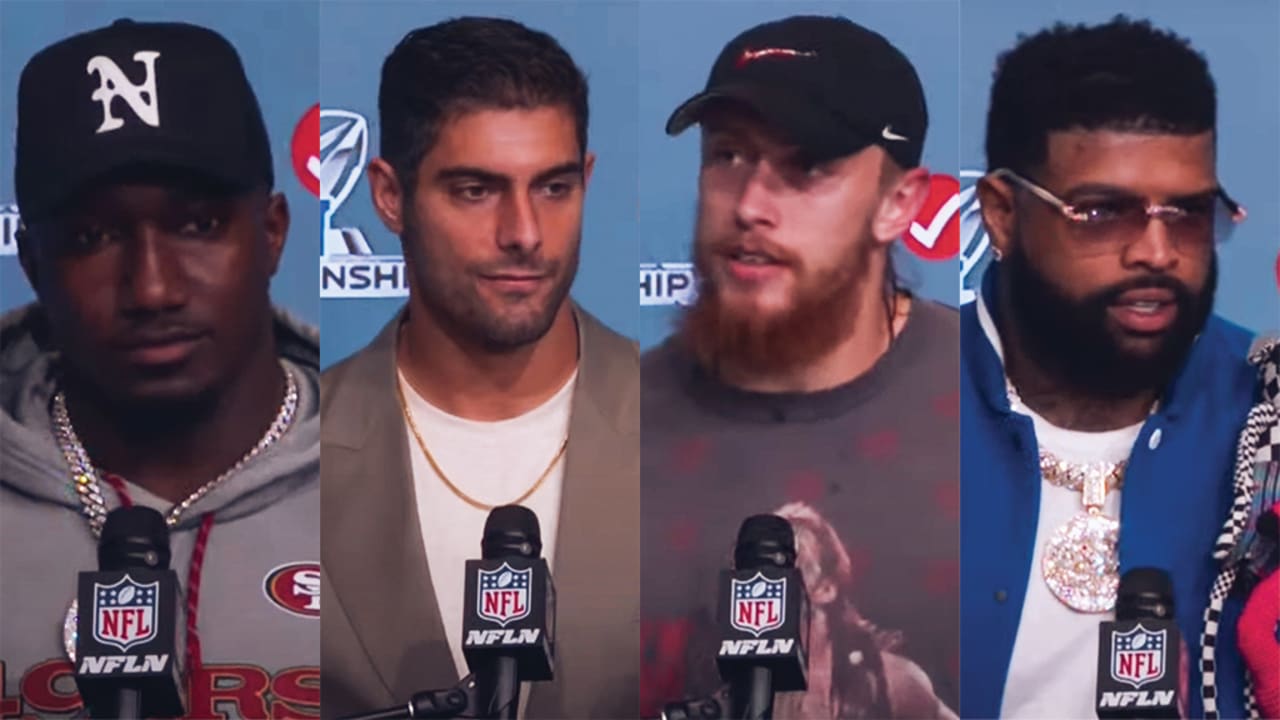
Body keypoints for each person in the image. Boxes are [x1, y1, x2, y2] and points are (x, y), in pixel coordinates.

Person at [639, 15, 959, 719]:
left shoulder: (999, 410)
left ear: (899, 203)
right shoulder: (604, 423)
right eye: (727, 156)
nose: (750, 205)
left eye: (807, 167)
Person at [319, 17, 639, 719]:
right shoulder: (292, 450)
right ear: (389, 196)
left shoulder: (685, 425)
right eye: (475, 190)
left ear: (587, 181)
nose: (524, 232)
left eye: (554, 188)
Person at [0, 19, 320, 718]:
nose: (151, 288)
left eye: (197, 226)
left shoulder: (393, 477)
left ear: (271, 233)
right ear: (32, 264)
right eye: (93, 237)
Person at [962, 16, 1258, 718]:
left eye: (1187, 213)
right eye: (1101, 212)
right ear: (1002, 215)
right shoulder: (889, 412)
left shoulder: (1268, 418)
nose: (1157, 252)